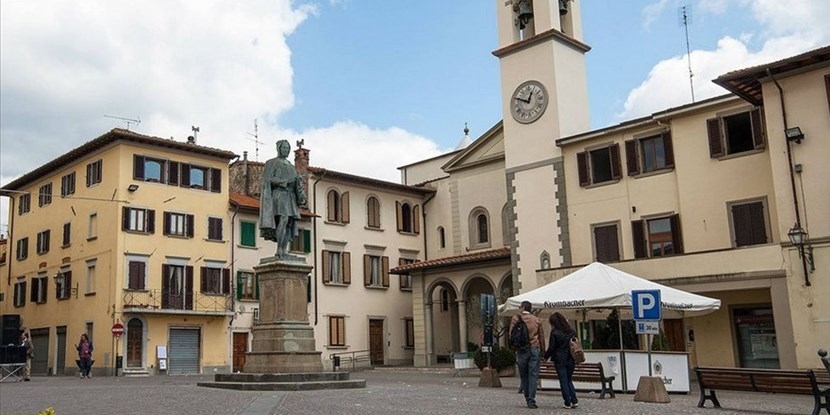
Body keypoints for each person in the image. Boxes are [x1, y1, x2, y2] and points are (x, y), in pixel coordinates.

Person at [259, 139, 307, 259]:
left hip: (290, 196)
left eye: (287, 148)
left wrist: (298, 181)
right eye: (283, 148)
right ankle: (279, 249)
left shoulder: (291, 166)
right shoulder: (271, 163)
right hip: (279, 195)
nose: (285, 150)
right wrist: (284, 182)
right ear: (278, 149)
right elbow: (267, 180)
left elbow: (296, 182)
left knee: (290, 223)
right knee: (284, 219)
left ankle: (284, 249)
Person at [510, 301, 545, 409]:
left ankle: (527, 397)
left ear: (523, 307)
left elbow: (511, 335)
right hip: (534, 348)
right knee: (533, 375)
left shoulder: (516, 319)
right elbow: (541, 337)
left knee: (524, 375)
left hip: (521, 350)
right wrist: (543, 353)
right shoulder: (537, 320)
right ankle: (531, 399)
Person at [546, 312, 578, 409]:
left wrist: (546, 356)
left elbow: (552, 347)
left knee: (563, 380)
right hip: (571, 358)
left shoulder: (555, 332)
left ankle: (567, 402)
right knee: (569, 380)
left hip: (560, 359)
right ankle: (574, 399)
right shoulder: (571, 331)